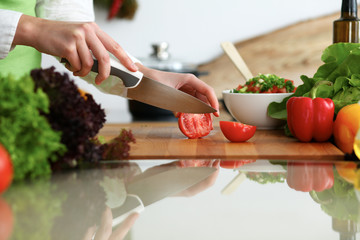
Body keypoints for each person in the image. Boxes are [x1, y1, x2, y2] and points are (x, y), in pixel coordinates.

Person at [0, 0, 219, 116]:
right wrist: (27, 28)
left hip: (20, 112)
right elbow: (46, 28)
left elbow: (67, 19)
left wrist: (143, 75)